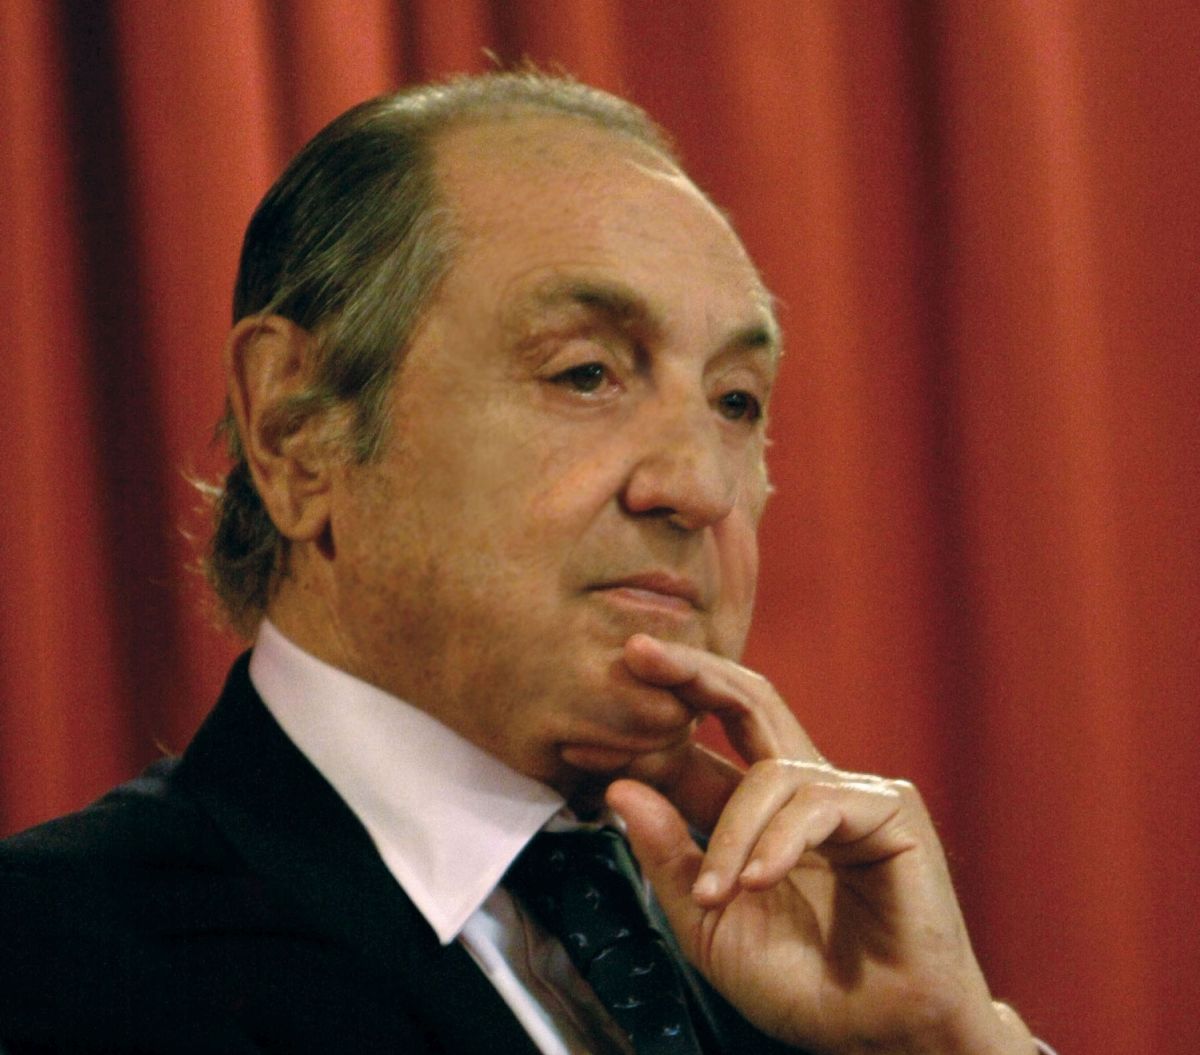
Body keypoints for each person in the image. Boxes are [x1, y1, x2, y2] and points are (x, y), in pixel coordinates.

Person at [0, 71, 1048, 1054]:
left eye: (736, 401)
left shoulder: (818, 967)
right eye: (586, 373)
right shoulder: (51, 961)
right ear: (296, 430)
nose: (700, 487)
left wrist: (951, 1038)